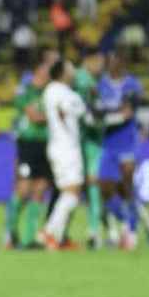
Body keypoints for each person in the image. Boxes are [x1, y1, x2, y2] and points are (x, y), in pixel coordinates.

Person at [97, 50, 149, 249]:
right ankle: (142, 226)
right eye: (111, 60)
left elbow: (128, 112)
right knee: (106, 188)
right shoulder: (100, 84)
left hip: (127, 143)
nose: (114, 64)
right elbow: (97, 108)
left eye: (117, 60)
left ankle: (131, 231)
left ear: (123, 63)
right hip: (108, 143)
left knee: (126, 187)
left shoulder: (133, 84)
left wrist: (103, 117)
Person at [4, 49, 58, 249]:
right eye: (45, 71)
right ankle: (10, 233)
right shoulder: (24, 91)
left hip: (46, 144)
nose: (47, 75)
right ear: (37, 71)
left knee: (40, 190)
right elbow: (34, 117)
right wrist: (55, 117)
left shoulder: (51, 91)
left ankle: (29, 239)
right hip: (27, 144)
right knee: (23, 189)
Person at [41, 59, 88, 251]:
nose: (74, 71)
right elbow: (68, 109)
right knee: (72, 192)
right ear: (62, 72)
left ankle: (57, 237)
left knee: (69, 193)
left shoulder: (56, 91)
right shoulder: (57, 91)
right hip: (65, 148)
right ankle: (49, 232)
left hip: (64, 146)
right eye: (71, 68)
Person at [73, 47, 106, 249]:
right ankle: (95, 230)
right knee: (93, 184)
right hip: (88, 141)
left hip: (83, 141)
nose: (102, 66)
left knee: (89, 185)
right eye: (99, 61)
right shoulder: (84, 81)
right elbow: (86, 113)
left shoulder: (87, 80)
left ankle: (96, 228)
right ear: (89, 60)